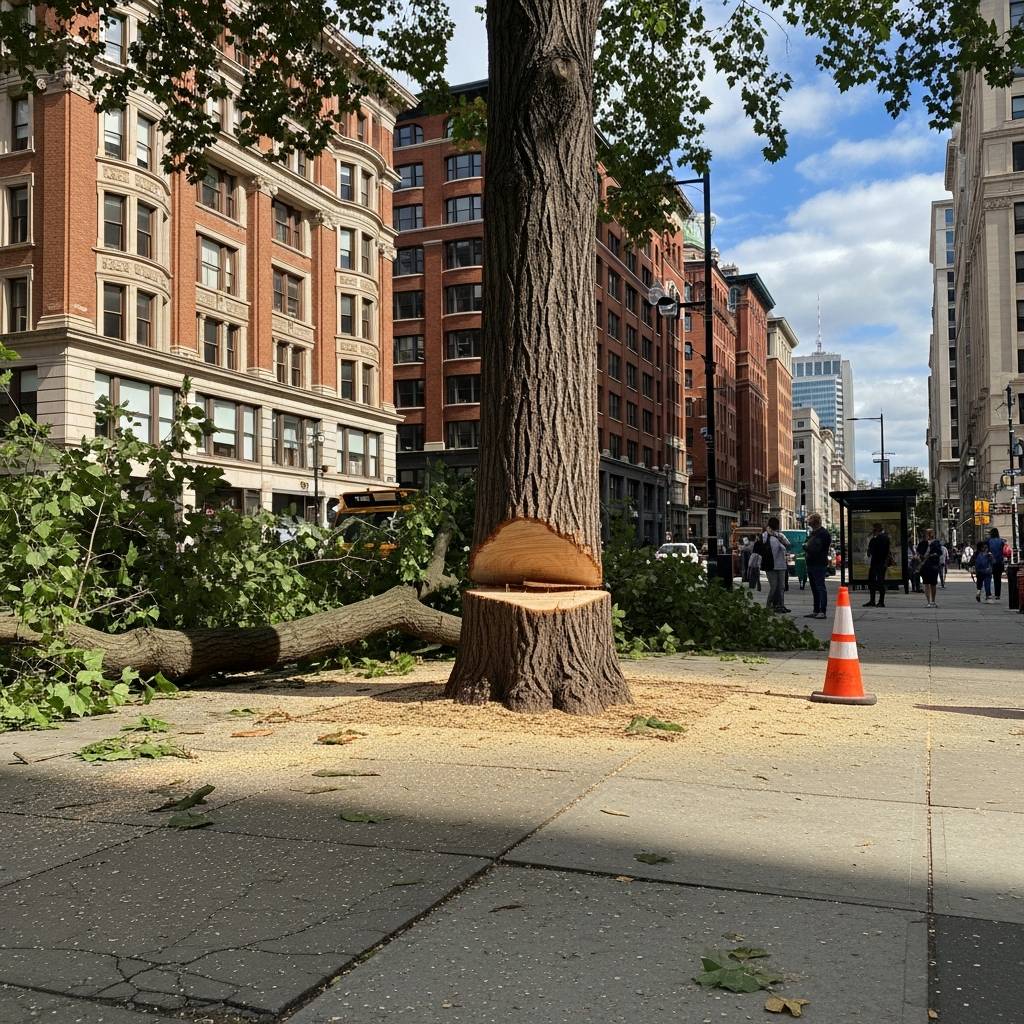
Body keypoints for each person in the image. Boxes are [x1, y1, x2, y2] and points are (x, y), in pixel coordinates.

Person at [756, 516, 790, 612]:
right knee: (774, 586)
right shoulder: (764, 536)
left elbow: (788, 544)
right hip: (770, 565)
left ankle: (781, 605)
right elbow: (759, 548)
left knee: (782, 586)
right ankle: (769, 605)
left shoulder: (779, 535)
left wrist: (778, 536)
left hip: (781, 564)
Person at [803, 513, 831, 620]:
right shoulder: (814, 533)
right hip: (812, 563)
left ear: (814, 522)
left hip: (818, 563)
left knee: (820, 587)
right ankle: (816, 610)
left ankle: (822, 611)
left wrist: (806, 548)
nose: (808, 522)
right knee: (815, 588)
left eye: (810, 520)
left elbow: (816, 549)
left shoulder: (822, 534)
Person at [865, 522, 892, 607]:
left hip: (878, 562)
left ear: (876, 529)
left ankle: (877, 601)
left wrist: (871, 538)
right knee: (876, 582)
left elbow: (870, 551)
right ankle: (877, 601)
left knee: (877, 582)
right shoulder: (883, 537)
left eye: (873, 529)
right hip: (879, 563)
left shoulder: (879, 538)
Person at [919, 528, 943, 608]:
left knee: (932, 584)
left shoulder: (936, 543)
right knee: (927, 583)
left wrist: (933, 555)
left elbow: (939, 552)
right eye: (928, 533)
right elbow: (920, 553)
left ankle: (932, 601)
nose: (930, 534)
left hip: (932, 565)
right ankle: (930, 601)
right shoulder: (923, 543)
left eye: (931, 533)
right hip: (927, 565)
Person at [986, 528, 1009, 600]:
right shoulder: (1001, 541)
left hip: (990, 562)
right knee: (998, 579)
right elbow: (1004, 552)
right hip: (999, 562)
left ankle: (988, 594)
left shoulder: (988, 541)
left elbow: (987, 551)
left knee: (988, 578)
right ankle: (997, 595)